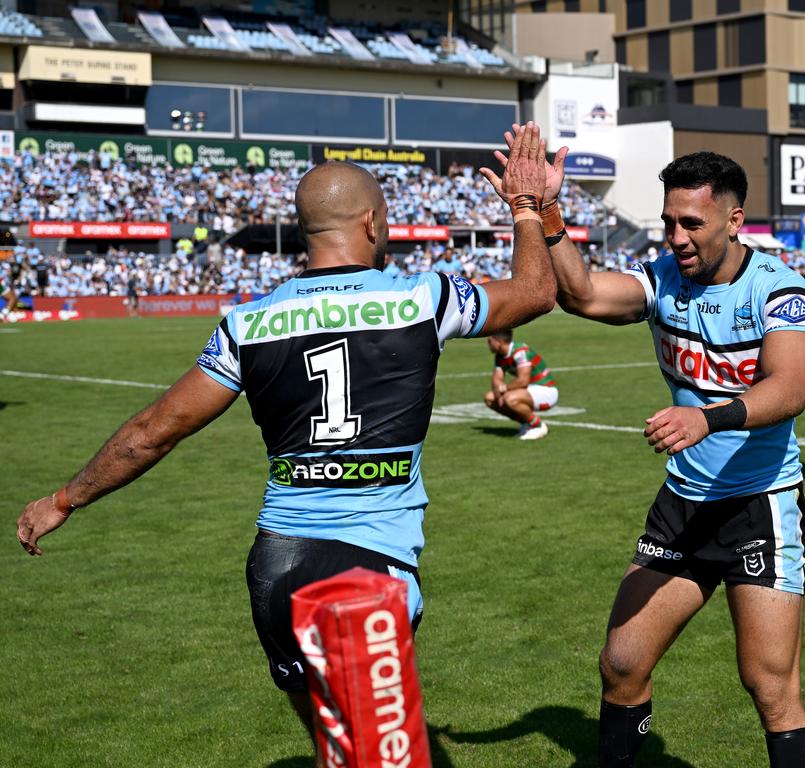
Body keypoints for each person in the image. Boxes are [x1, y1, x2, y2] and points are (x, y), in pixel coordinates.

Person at [16, 122, 556, 766]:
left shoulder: (249, 323)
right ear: (376, 224)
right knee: (381, 757)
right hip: (368, 573)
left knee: (337, 750)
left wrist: (65, 498)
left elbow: (151, 432)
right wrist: (526, 207)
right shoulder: (421, 298)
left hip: (275, 568)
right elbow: (535, 293)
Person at [485, 139, 805, 767]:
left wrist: (708, 416)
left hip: (760, 507)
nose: (677, 237)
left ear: (733, 220)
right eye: (669, 222)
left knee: (770, 687)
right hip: (683, 504)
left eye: (692, 223)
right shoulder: (663, 276)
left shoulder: (779, 290)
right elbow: (582, 295)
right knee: (623, 662)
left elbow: (790, 388)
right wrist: (546, 215)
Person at [484, 329, 559, 440]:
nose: (487, 344)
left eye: (489, 340)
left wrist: (505, 389)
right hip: (530, 390)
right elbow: (496, 380)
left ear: (498, 341)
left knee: (510, 398)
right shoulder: (500, 356)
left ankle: (538, 426)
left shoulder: (520, 352)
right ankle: (527, 423)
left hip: (546, 390)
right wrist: (498, 394)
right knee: (490, 398)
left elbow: (523, 381)